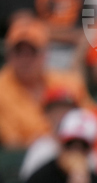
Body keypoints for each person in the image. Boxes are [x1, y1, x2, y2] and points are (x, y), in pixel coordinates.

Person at [0, 16, 89, 149]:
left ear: (44, 54)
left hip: (75, 151)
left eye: (32, 52)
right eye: (19, 52)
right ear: (9, 55)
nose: (26, 60)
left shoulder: (68, 82)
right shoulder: (2, 89)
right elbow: (13, 143)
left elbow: (91, 117)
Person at [19, 86, 97, 182]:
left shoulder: (89, 147)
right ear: (47, 114)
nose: (61, 115)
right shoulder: (40, 147)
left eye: (67, 109)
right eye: (56, 111)